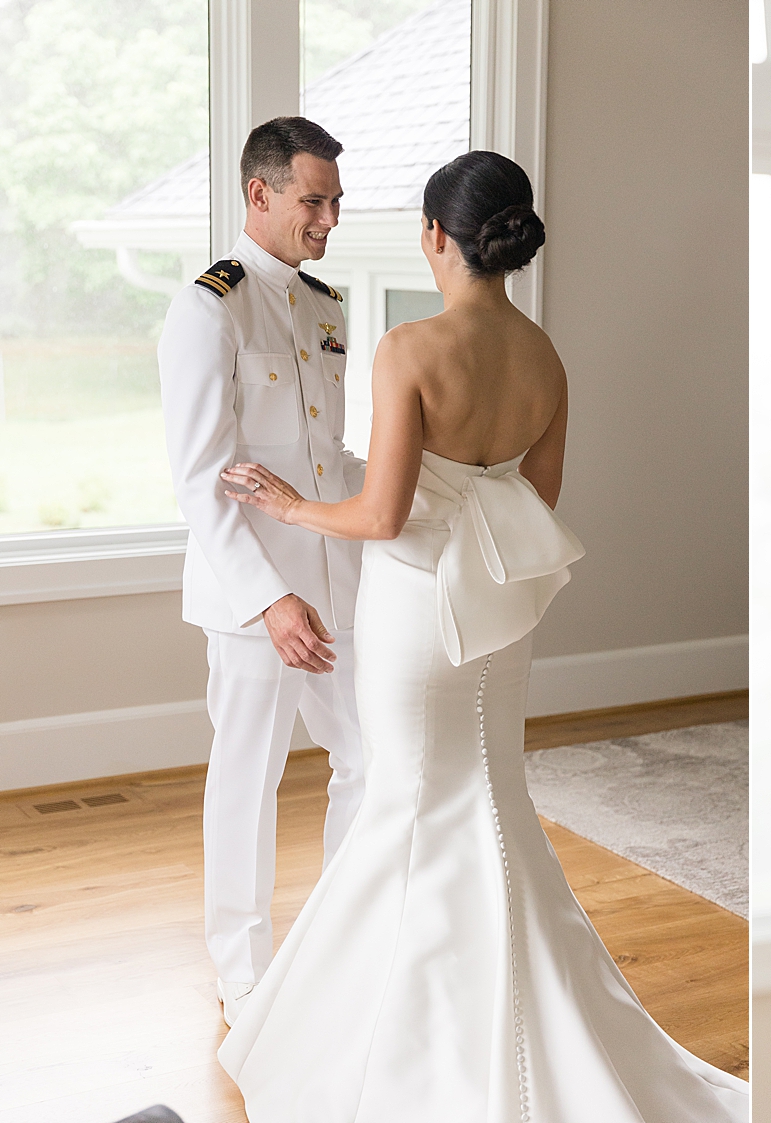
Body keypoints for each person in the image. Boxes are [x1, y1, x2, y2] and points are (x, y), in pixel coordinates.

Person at [213, 151, 749, 1122]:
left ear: (435, 236)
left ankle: (395, 1048)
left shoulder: (411, 348)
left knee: (407, 805)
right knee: (490, 801)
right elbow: (537, 502)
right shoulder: (545, 355)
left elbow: (382, 517)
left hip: (419, 611)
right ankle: (501, 1024)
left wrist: (293, 510)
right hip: (499, 615)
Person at [158, 116, 366, 1027]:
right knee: (248, 776)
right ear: (261, 194)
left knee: (371, 758)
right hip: (255, 600)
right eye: (313, 201)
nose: (328, 220)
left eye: (334, 203)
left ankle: (338, 941)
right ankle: (241, 968)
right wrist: (271, 597)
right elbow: (202, 482)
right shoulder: (208, 306)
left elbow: (330, 459)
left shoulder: (326, 306)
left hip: (336, 583)